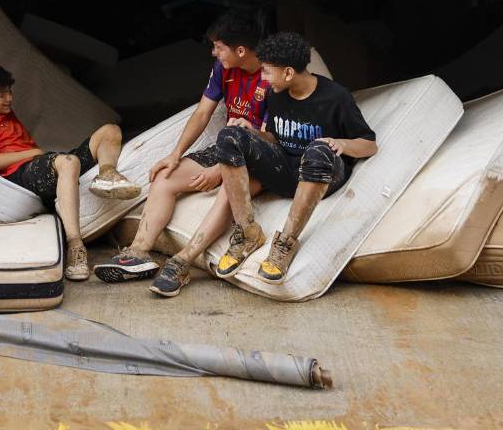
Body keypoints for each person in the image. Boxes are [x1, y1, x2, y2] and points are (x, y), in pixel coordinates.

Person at [149, 31, 378, 297]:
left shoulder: (336, 97)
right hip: (286, 168)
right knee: (231, 135)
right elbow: (275, 138)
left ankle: (285, 243)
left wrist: (343, 144)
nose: (264, 78)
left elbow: (369, 143)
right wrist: (253, 132)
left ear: (289, 72)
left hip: (323, 174)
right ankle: (247, 233)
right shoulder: (278, 93)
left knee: (317, 150)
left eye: (268, 72)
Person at [94, 9, 269, 283]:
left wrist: (223, 171)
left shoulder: (274, 76)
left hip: (260, 156)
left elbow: (272, 139)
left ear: (242, 50)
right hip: (227, 148)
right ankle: (138, 253)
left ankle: (182, 261)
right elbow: (202, 113)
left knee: (229, 189)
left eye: (219, 47)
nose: (214, 53)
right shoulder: (225, 69)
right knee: (164, 177)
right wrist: (174, 155)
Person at [0, 64, 138, 281]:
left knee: (110, 130)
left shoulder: (7, 114)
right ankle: (75, 246)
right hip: (22, 174)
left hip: (44, 165)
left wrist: (39, 155)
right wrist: (33, 153)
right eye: (1, 95)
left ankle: (107, 175)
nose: (9, 98)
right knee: (68, 161)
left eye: (9, 92)